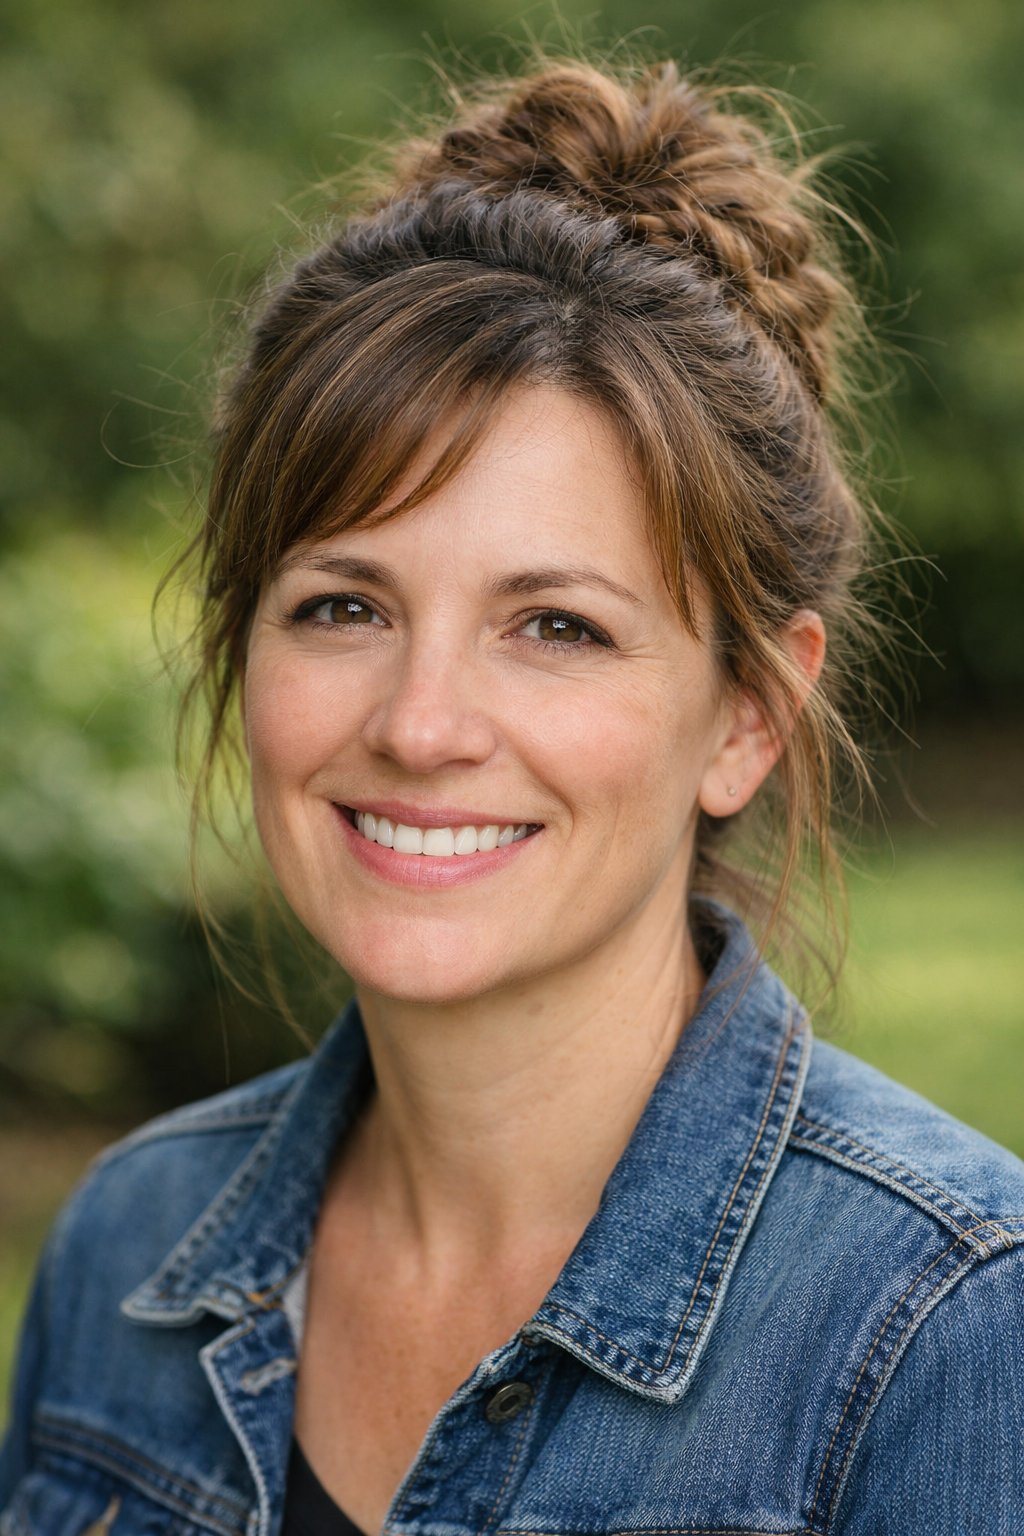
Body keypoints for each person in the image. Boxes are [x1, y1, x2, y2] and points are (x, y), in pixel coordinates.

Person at [2, 54, 1022, 1536]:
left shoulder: (951, 1334)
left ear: (747, 715)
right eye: (344, 606)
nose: (421, 725)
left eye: (558, 627)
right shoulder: (129, 1249)